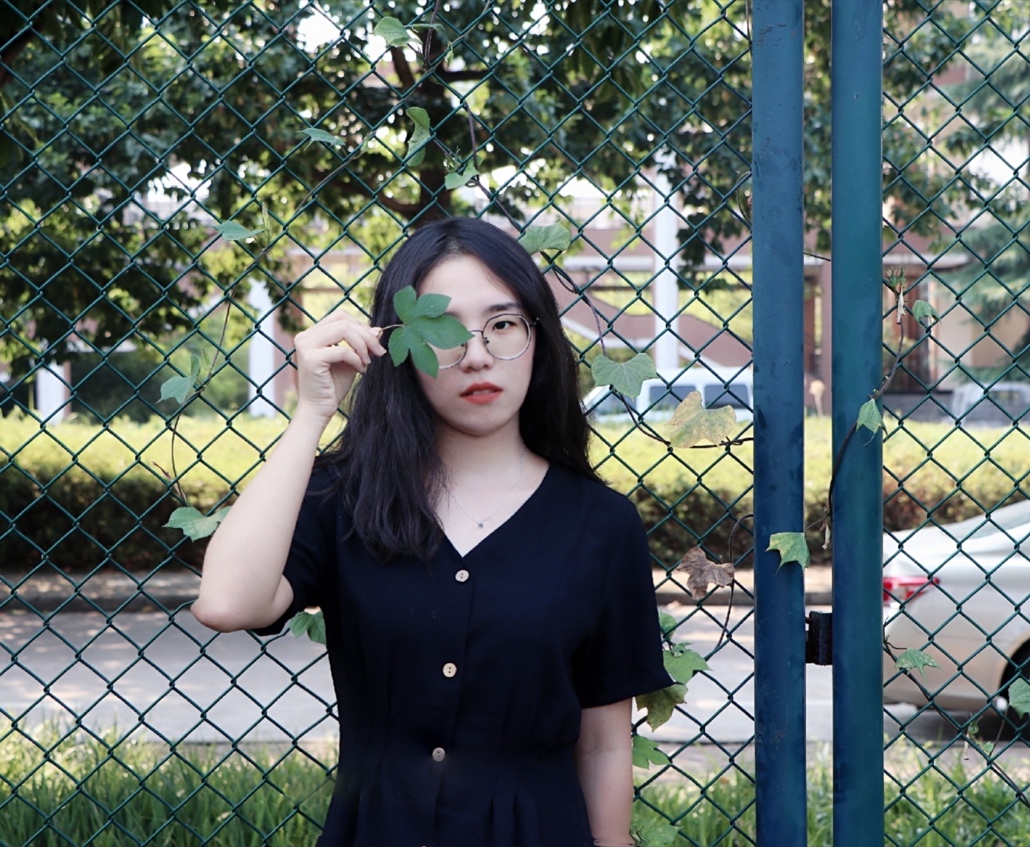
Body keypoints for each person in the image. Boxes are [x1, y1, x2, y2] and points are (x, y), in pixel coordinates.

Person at [192, 218, 673, 847]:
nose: (476, 355)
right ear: (397, 346)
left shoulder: (601, 525)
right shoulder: (347, 498)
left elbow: (605, 742)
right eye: (442, 330)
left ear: (539, 338)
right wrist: (312, 412)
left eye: (503, 325)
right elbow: (228, 603)